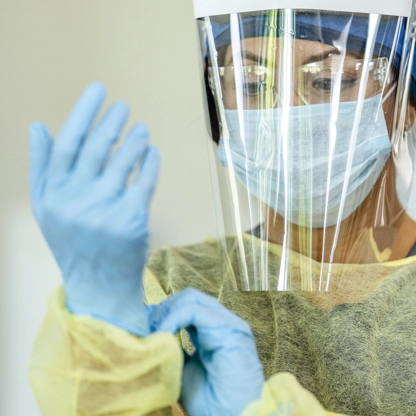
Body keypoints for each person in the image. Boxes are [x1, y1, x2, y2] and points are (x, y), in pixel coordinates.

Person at [29, 3, 416, 416]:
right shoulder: (168, 288)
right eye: (251, 85)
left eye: (330, 80)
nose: (284, 115)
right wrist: (101, 326)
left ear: (407, 101)